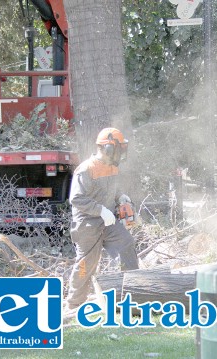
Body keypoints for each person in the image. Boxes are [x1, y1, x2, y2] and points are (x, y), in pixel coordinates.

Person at [65, 127, 139, 311]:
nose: (121, 153)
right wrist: (100, 210)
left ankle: (130, 294)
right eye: (119, 149)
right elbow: (76, 198)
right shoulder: (86, 169)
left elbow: (112, 190)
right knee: (86, 264)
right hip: (87, 223)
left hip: (107, 221)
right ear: (107, 148)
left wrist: (122, 198)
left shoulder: (112, 167)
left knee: (126, 244)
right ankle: (74, 304)